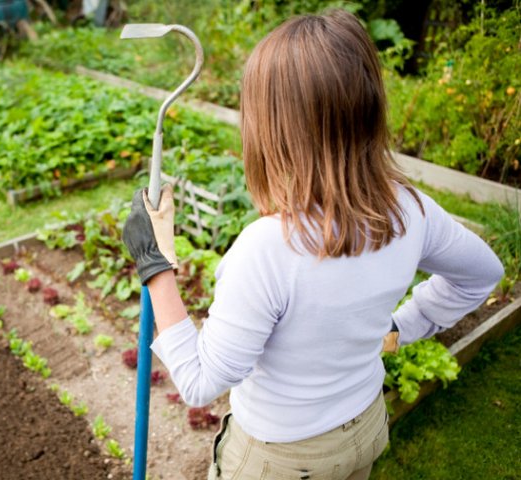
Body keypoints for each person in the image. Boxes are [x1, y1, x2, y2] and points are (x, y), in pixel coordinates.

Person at [122, 9, 503, 480]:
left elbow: (201, 382)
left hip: (281, 460)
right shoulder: (411, 209)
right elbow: (482, 273)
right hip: (363, 429)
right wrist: (404, 326)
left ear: (275, 128)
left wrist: (154, 265)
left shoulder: (269, 249)